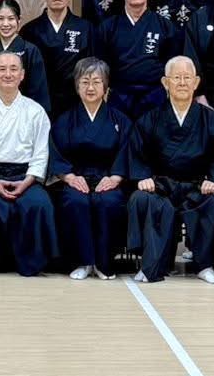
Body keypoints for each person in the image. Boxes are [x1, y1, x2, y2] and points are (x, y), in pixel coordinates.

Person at [126, 57, 214, 284]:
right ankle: (152, 265)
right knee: (141, 198)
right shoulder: (150, 118)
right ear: (165, 83)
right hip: (161, 186)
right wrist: (143, 177)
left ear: (196, 82)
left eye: (187, 77)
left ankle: (205, 265)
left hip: (196, 185)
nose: (182, 83)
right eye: (176, 78)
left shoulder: (211, 119)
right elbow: (138, 152)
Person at [0, 52, 57, 277]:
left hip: (25, 175)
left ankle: (31, 264)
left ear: (23, 75)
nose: (8, 74)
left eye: (14, 69)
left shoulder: (35, 111)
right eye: (2, 69)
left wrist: (27, 181)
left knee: (39, 204)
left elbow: (41, 154)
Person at [48, 58, 132, 281]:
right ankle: (82, 262)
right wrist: (69, 176)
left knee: (110, 202)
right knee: (75, 201)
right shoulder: (65, 120)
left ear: (106, 86)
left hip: (108, 177)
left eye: (96, 81)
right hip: (76, 178)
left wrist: (115, 177)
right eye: (85, 81)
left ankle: (105, 263)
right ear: (77, 86)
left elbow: (127, 150)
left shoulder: (120, 120)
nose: (91, 87)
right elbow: (57, 152)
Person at [99, 0, 193, 114]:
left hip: (155, 98)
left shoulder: (166, 27)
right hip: (118, 99)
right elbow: (101, 67)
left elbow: (173, 66)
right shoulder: (108, 27)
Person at [20, 0, 97, 120]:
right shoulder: (29, 30)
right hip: (38, 102)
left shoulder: (86, 28)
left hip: (75, 103)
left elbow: (93, 68)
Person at [0, 0, 53, 112]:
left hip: (24, 115)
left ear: (19, 20)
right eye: (0, 19)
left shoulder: (30, 50)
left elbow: (38, 91)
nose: (5, 24)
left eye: (11, 19)